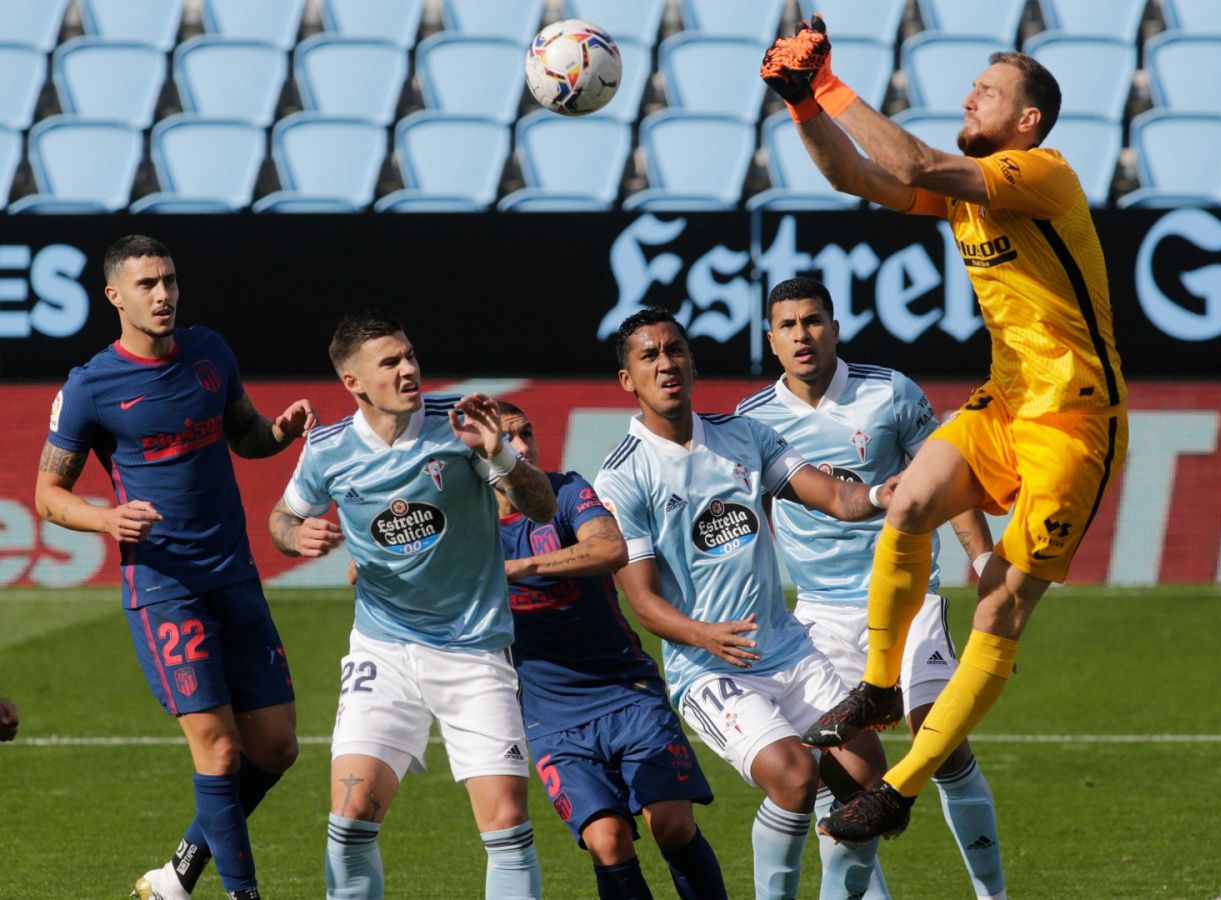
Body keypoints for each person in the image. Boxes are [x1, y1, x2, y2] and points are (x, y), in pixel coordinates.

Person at [758, 19, 1128, 841]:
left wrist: (827, 83)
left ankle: (900, 786)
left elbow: (915, 163)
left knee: (999, 610)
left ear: (1026, 121)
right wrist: (798, 107)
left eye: (988, 91)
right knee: (910, 502)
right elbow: (861, 177)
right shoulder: (970, 195)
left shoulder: (1039, 175)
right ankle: (883, 686)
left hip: (1073, 424)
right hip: (1005, 401)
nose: (970, 97)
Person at [33, 235, 310, 900]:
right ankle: (243, 895)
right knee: (216, 750)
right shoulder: (90, 387)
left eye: (170, 281)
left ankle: (177, 876)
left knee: (274, 747)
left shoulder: (210, 353)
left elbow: (242, 433)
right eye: (148, 284)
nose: (163, 295)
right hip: (165, 586)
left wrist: (278, 432)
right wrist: (105, 519)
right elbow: (47, 494)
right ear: (114, 296)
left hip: (235, 576)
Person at [594, 307, 892, 900]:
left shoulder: (744, 436)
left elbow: (833, 494)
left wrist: (887, 491)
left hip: (788, 649)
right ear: (628, 380)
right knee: (794, 775)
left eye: (674, 350)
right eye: (648, 355)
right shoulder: (622, 477)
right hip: (709, 669)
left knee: (866, 780)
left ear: (692, 361)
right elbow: (644, 603)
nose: (665, 363)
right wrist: (705, 636)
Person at [269, 310, 555, 900]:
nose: (408, 369)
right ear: (353, 383)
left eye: (410, 356)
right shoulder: (327, 450)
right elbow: (282, 516)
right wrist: (295, 536)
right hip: (385, 649)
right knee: (349, 820)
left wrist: (501, 455)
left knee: (506, 823)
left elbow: (542, 508)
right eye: (390, 362)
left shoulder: (460, 425)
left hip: (473, 651)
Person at [736, 277, 1006, 899]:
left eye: (813, 321)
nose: (802, 335)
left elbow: (949, 481)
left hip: (909, 599)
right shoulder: (752, 424)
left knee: (942, 741)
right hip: (821, 617)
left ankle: (994, 896)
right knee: (848, 784)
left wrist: (984, 558)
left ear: (834, 327)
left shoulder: (889, 392)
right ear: (770, 340)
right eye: (788, 325)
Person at [494, 401, 728, 900]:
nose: (521, 447)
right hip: (551, 717)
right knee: (607, 841)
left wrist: (520, 568)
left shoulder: (567, 492)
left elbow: (609, 549)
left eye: (526, 433)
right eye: (505, 439)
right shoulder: (469, 527)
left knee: (671, 824)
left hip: (627, 693)